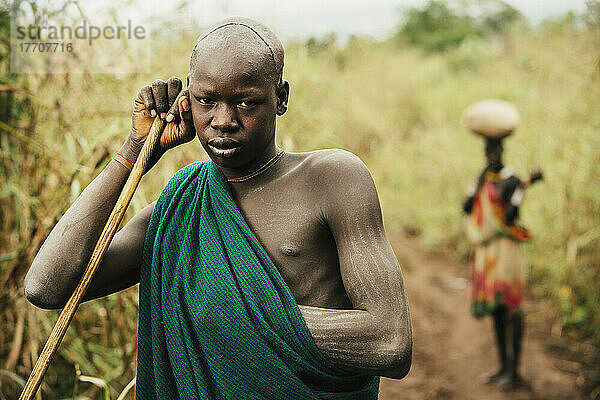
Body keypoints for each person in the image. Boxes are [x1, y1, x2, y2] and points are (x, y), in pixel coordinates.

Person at [24, 17, 412, 399]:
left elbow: (389, 341)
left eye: (247, 102)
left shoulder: (331, 179)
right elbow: (47, 286)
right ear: (186, 101)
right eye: (206, 101)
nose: (223, 121)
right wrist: (134, 152)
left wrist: (224, 315)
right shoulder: (184, 204)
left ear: (280, 97)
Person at [461, 99, 542, 390]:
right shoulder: (483, 177)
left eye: (495, 150)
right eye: (487, 150)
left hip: (506, 252)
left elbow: (510, 215)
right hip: (486, 252)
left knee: (511, 307)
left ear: (503, 151)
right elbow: (466, 207)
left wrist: (522, 188)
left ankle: (514, 371)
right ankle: (501, 367)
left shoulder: (510, 180)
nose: (491, 155)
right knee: (496, 310)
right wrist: (477, 182)